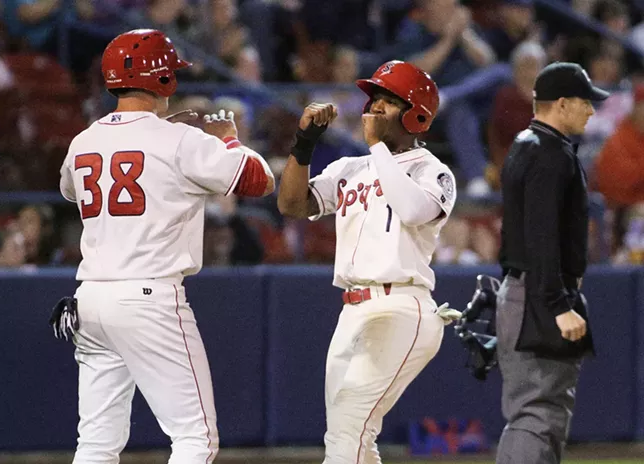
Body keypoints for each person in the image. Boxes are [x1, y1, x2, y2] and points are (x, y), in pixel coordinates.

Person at [56, 29, 274, 463]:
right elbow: (259, 180)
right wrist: (228, 137)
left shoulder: (83, 141)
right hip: (148, 297)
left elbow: (70, 191)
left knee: (96, 442)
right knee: (196, 439)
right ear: (164, 82)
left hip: (91, 299)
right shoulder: (180, 141)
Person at [277, 60, 462, 463]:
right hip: (352, 311)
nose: (374, 108)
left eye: (389, 101)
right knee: (353, 438)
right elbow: (291, 204)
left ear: (416, 115)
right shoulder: (351, 167)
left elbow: (413, 210)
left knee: (348, 428)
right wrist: (304, 143)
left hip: (402, 308)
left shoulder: (434, 171)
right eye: (374, 98)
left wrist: (377, 146)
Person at [497, 61, 606, 464]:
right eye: (584, 102)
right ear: (561, 103)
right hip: (541, 294)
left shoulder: (525, 143)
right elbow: (542, 235)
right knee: (538, 414)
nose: (591, 111)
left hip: (524, 290)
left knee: (531, 413)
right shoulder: (550, 154)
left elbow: (516, 232)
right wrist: (558, 305)